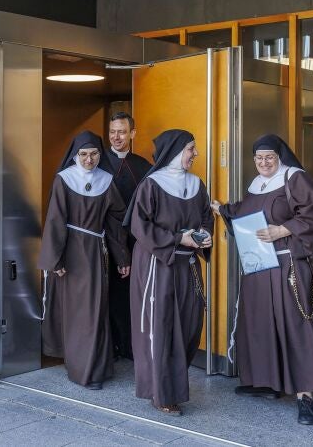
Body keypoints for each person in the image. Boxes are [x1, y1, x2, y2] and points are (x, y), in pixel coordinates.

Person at [212, 134, 313, 426]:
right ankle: (270, 381)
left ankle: (306, 397)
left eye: (269, 158)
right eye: (258, 158)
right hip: (261, 266)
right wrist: (223, 209)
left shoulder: (294, 179)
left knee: (297, 327)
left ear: (280, 157)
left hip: (290, 265)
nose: (263, 163)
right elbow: (245, 214)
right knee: (262, 324)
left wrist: (283, 230)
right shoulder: (257, 185)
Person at [123, 129, 213, 415]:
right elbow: (140, 226)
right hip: (157, 266)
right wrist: (178, 239)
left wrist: (204, 235)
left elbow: (205, 218)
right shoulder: (151, 185)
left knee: (188, 327)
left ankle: (170, 385)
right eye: (190, 149)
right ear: (175, 152)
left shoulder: (197, 184)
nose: (195, 154)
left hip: (187, 267)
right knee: (160, 329)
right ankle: (161, 393)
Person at [38, 130, 130, 390]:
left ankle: (95, 366)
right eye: (83, 155)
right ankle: (83, 370)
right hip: (71, 254)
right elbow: (55, 220)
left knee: (96, 310)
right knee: (79, 312)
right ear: (75, 156)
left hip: (96, 251)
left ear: (100, 155)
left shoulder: (106, 180)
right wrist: (55, 260)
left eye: (93, 154)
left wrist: (122, 256)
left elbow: (115, 222)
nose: (89, 160)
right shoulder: (64, 180)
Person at [105, 112, 152, 361]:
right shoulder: (98, 161)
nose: (116, 137)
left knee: (129, 294)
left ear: (132, 133)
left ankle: (129, 345)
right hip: (103, 241)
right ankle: (110, 346)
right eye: (112, 131)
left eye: (122, 131)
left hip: (134, 242)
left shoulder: (142, 166)